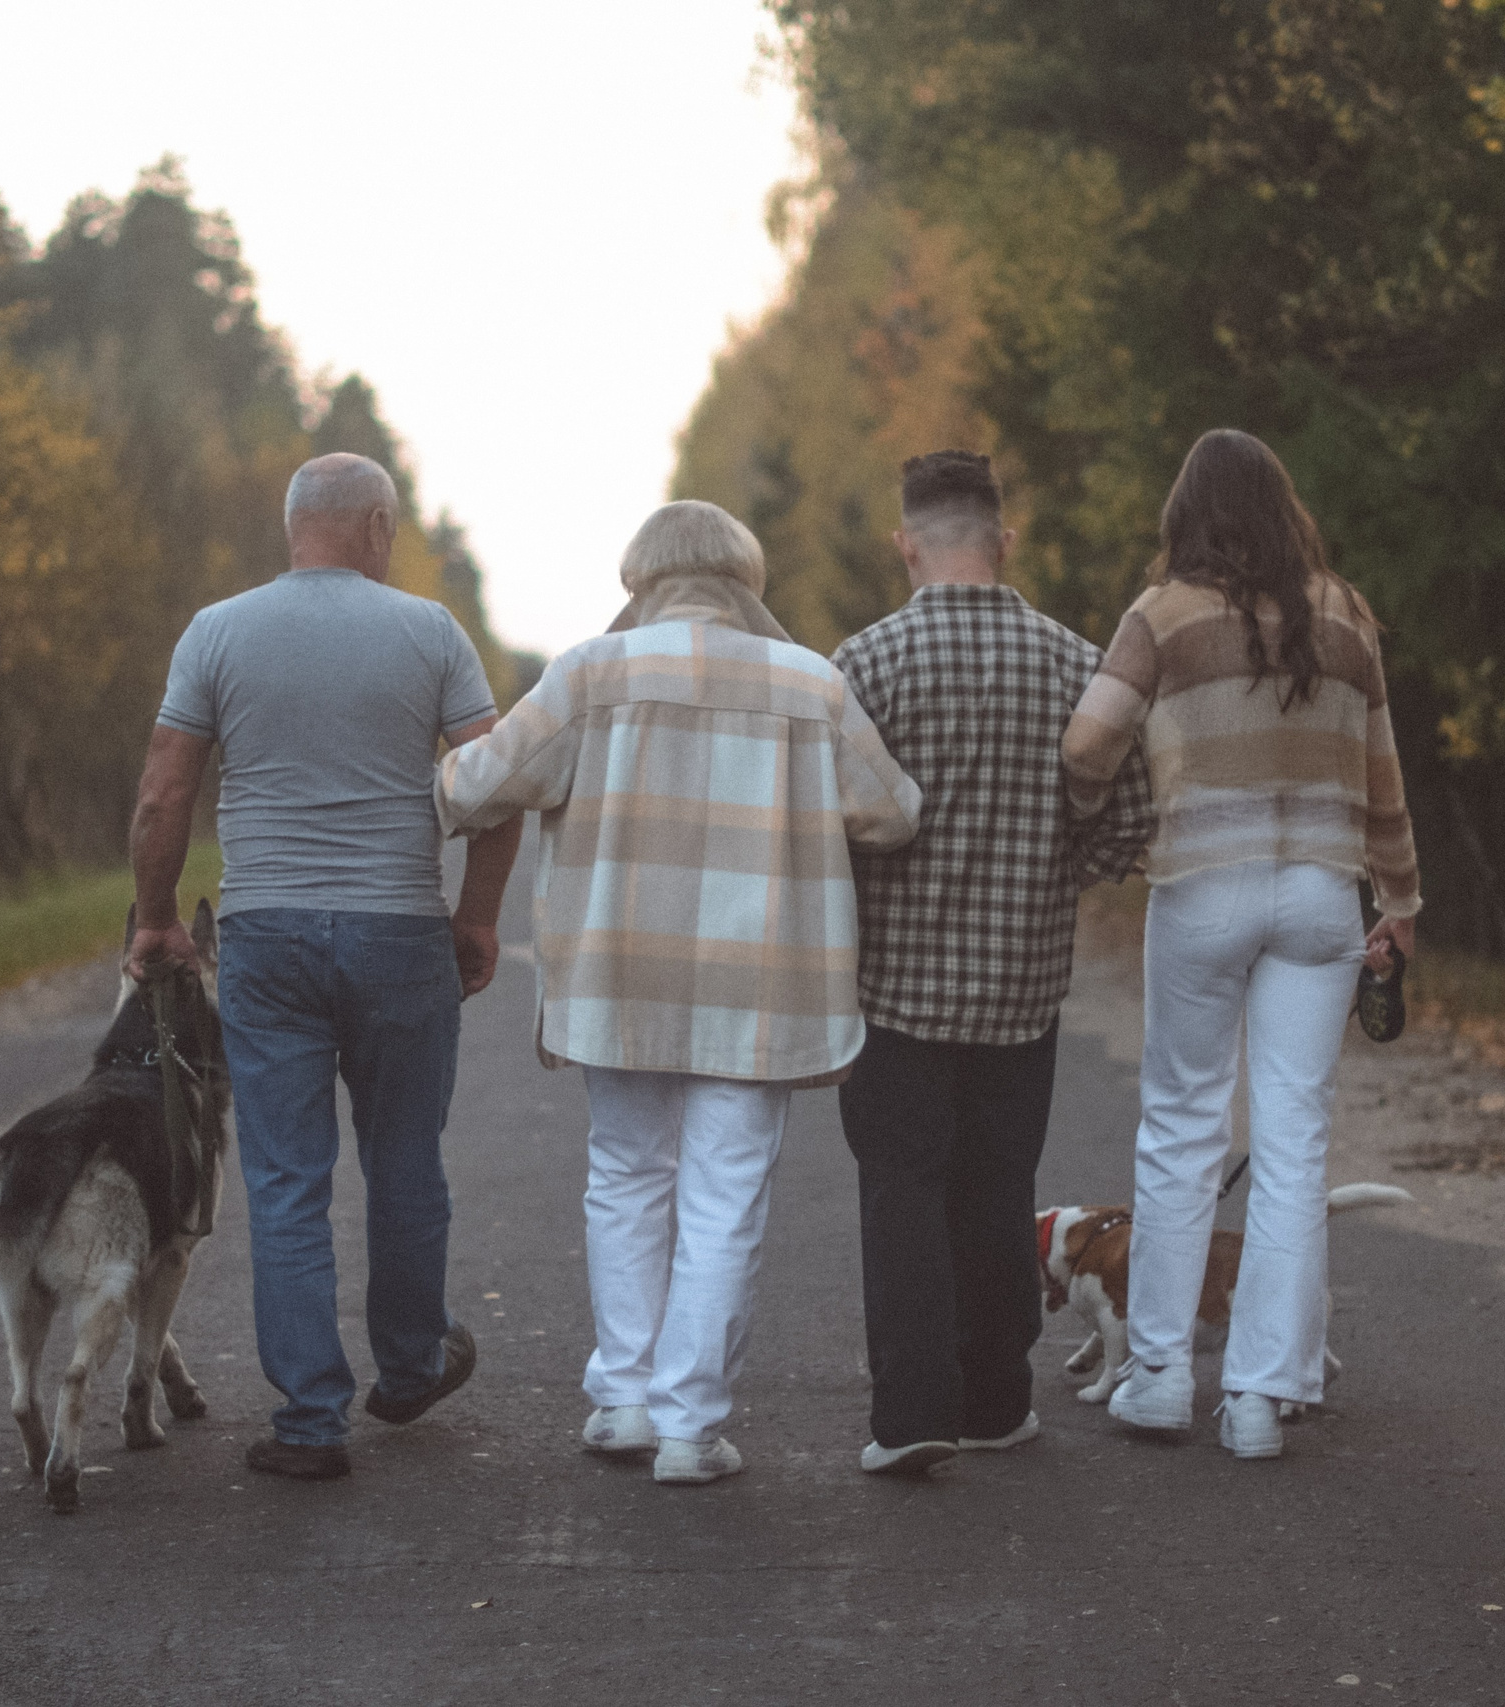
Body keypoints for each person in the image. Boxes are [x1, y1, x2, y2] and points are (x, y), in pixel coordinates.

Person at [434, 500, 919, 1486]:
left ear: (639, 578)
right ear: (747, 579)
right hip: (763, 986)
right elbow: (890, 814)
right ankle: (693, 1426)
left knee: (624, 1173)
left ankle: (622, 1398)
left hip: (620, 976)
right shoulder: (810, 684)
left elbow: (468, 791)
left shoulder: (586, 675)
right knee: (725, 1197)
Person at [126, 452, 523, 1484]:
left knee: (286, 1180)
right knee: (403, 1162)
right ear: (378, 527)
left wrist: (158, 919)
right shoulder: (430, 632)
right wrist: (476, 921)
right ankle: (407, 1367)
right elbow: (495, 785)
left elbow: (164, 793)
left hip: (267, 939)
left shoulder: (218, 630)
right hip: (399, 934)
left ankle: (308, 1422)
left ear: (293, 525)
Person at [1061, 427, 1421, 1461]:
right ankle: (1262, 1398)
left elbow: (1088, 741)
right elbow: (1384, 777)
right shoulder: (1344, 615)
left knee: (1180, 1126)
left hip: (1202, 890)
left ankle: (1162, 1379)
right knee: (1296, 1140)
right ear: (1282, 509)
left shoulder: (1162, 616)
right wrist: (1397, 903)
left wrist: (1101, 807)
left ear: (1186, 516)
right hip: (1320, 897)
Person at [830, 451, 1154, 1476]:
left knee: (900, 1192)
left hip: (894, 991)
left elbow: (823, 825)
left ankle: (911, 1413)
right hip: (1022, 989)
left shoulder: (863, 664)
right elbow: (1125, 828)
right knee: (994, 1186)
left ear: (905, 543)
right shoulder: (1075, 663)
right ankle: (994, 1401)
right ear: (1003, 540)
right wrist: (1056, 866)